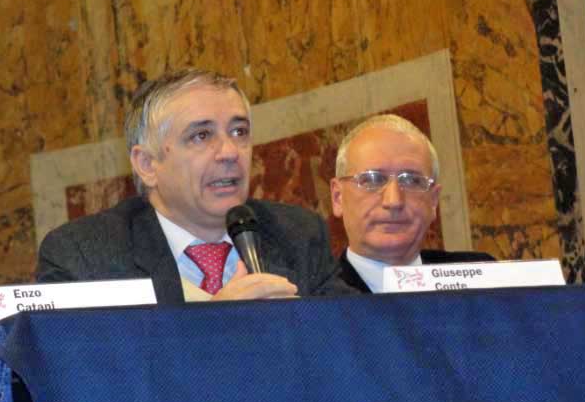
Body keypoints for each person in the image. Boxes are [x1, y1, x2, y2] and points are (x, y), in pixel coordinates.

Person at [38, 69, 353, 303]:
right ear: (147, 165)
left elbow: (350, 346)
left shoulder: (297, 236)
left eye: (239, 132)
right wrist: (211, 329)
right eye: (201, 136)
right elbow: (89, 370)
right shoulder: (85, 257)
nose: (229, 152)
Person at [330, 114, 493, 293]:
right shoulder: (313, 301)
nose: (394, 201)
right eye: (373, 179)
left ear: (433, 201)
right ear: (338, 197)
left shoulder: (487, 280)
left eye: (412, 181)